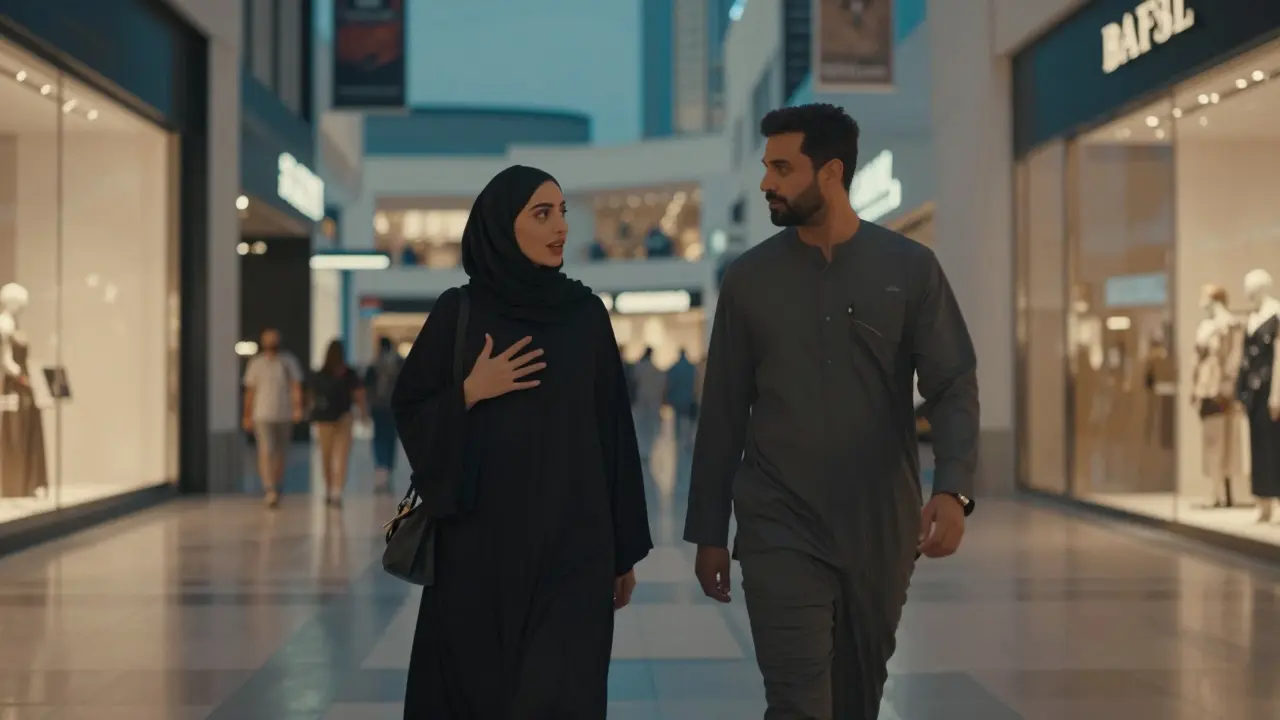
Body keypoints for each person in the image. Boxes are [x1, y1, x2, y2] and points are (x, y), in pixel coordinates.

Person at [685, 103, 979, 719]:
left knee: (856, 699)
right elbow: (722, 414)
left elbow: (951, 382)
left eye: (782, 167)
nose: (767, 182)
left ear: (831, 173)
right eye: (766, 167)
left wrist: (952, 489)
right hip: (777, 523)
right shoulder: (748, 280)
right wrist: (710, 531)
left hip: (880, 528)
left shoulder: (910, 269)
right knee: (798, 703)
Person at [391, 164, 653, 719]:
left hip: (574, 550)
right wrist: (467, 393)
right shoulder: (458, 312)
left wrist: (622, 548)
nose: (560, 226)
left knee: (559, 694)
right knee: (478, 694)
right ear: (501, 226)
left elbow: (613, 431)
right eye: (542, 213)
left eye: (562, 212)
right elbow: (410, 409)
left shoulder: (585, 316)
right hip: (476, 554)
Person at [242, 328, 304, 509]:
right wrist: (246, 415)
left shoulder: (288, 361)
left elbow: (295, 386)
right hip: (262, 414)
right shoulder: (256, 364)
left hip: (283, 413)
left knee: (280, 452)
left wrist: (297, 408)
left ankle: (277, 483)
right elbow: (250, 391)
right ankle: (269, 488)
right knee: (266, 450)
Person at [310, 339, 366, 508]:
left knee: (325, 456)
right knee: (342, 456)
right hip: (344, 417)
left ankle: (328, 489)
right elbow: (359, 395)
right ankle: (337, 492)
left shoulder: (320, 373)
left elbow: (313, 396)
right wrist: (363, 414)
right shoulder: (349, 373)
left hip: (324, 419)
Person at [366, 336, 404, 492]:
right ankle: (388, 468)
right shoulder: (399, 363)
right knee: (391, 437)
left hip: (378, 407)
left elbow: (368, 387)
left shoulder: (374, 365)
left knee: (379, 437)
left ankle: (380, 469)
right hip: (394, 406)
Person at [630, 347, 666, 460]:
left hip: (642, 400)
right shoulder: (655, 370)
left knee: (641, 427)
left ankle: (643, 450)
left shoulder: (638, 367)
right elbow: (662, 384)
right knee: (650, 427)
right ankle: (647, 450)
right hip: (652, 401)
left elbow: (633, 381)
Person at [664, 348, 699, 451]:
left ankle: (678, 438)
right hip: (689, 397)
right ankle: (687, 440)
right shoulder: (692, 368)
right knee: (688, 421)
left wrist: (667, 397)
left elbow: (669, 383)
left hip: (676, 398)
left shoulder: (674, 367)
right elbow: (696, 383)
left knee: (677, 420)